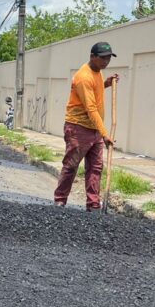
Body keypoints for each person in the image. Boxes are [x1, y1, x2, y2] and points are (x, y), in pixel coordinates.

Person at [54, 41, 119, 212]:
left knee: (96, 168)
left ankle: (93, 205)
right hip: (78, 127)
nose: (106, 62)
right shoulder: (83, 77)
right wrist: (105, 134)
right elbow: (91, 109)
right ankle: (60, 201)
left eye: (108, 58)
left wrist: (106, 83)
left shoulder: (97, 73)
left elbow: (95, 91)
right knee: (71, 165)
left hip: (94, 129)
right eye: (103, 58)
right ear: (92, 57)